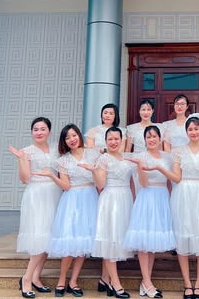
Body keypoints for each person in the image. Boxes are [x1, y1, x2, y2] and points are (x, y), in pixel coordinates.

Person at [44, 124, 99, 297]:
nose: (72, 139)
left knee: (84, 242)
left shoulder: (93, 154)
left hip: (90, 198)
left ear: (79, 136)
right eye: (67, 138)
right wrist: (52, 176)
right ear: (64, 142)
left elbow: (99, 178)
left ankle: (73, 281)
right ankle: (61, 280)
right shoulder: (63, 161)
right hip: (72, 200)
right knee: (70, 242)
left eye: (74, 135)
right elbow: (66, 186)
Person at [9, 117, 62, 298]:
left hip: (54, 193)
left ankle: (36, 277)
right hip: (36, 195)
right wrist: (22, 159)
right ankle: (26, 278)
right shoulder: (26, 151)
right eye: (35, 129)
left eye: (42, 129)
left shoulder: (57, 149)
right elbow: (25, 179)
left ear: (49, 131)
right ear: (32, 132)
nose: (39, 132)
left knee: (49, 236)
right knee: (40, 235)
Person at [124, 125, 176, 298]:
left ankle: (146, 282)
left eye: (154, 136)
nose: (151, 139)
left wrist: (169, 199)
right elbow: (144, 183)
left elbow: (169, 181)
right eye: (148, 137)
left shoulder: (167, 157)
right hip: (147, 197)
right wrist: (141, 166)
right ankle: (147, 282)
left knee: (152, 242)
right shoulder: (141, 156)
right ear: (145, 140)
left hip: (162, 198)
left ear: (160, 138)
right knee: (144, 242)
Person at [168, 114, 199, 299]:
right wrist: (160, 169)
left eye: (196, 129)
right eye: (190, 129)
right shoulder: (178, 152)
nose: (193, 132)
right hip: (183, 193)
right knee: (183, 235)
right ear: (186, 131)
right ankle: (187, 283)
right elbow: (176, 177)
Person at [91, 127, 136, 299]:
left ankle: (104, 279)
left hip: (126, 199)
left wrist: (134, 201)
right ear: (105, 141)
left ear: (122, 140)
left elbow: (131, 181)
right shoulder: (103, 159)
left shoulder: (127, 158)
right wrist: (95, 171)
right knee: (110, 239)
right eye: (110, 139)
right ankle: (115, 284)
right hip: (110, 199)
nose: (113, 142)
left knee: (118, 238)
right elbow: (100, 185)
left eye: (116, 139)